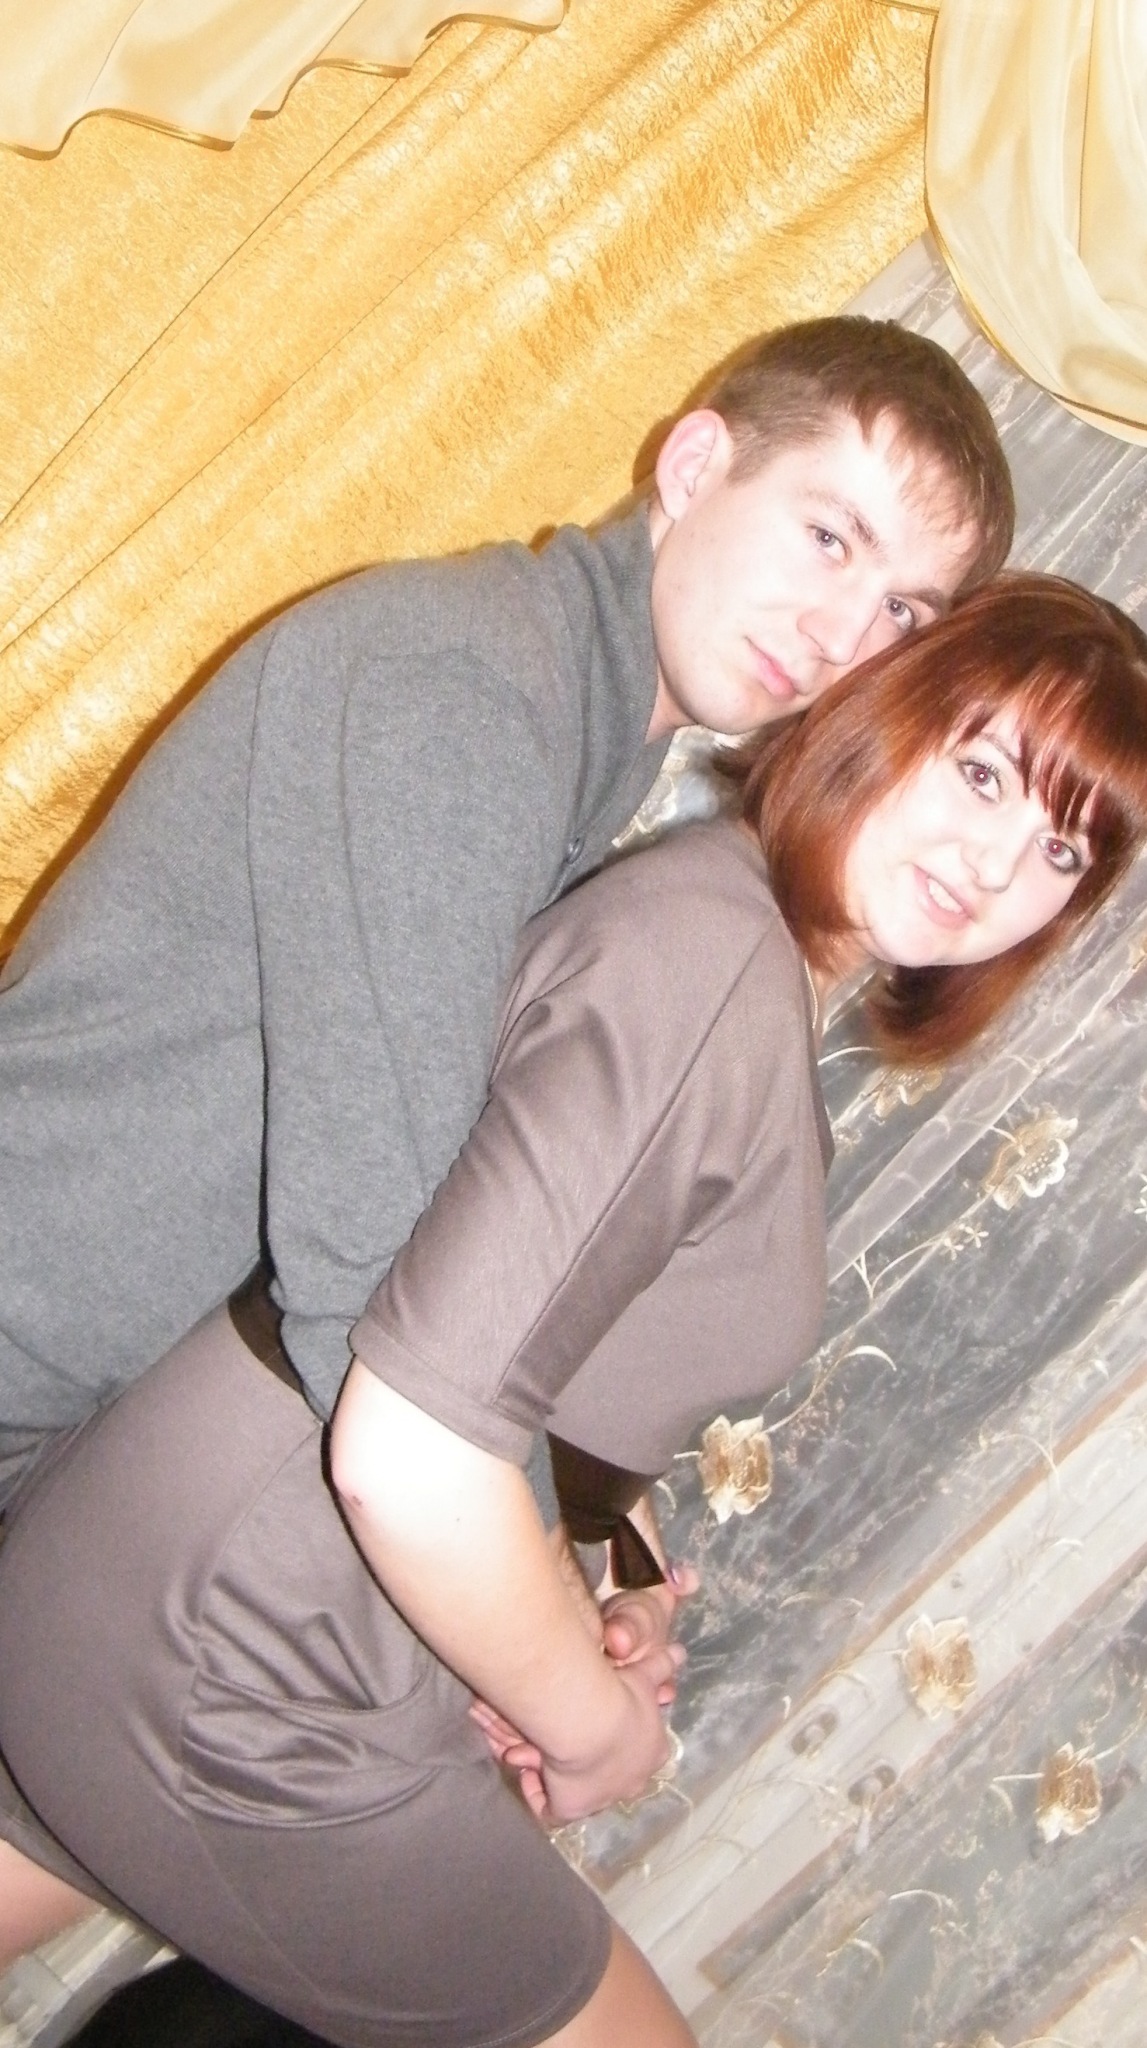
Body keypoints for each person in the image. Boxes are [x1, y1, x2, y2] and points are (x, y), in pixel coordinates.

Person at [1, 576, 1145, 2048]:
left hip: (183, 1577)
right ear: (880, 706)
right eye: (981, 772)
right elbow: (409, 1452)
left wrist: (608, 1570)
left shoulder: (729, 944)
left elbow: (535, 1345)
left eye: (1060, 846)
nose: (995, 861)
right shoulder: (717, 970)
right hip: (254, 1641)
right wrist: (594, 1729)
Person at [0, 314, 1011, 1513]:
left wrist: (596, 1536)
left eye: (902, 613)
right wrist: (541, 1575)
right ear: (693, 467)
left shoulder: (585, 732)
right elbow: (378, 1287)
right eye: (829, 536)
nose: (841, 636)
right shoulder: (469, 694)